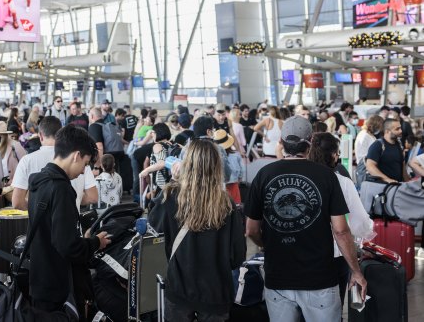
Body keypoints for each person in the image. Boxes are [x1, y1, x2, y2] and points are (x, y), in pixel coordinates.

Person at [244, 116, 367, 322]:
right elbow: (340, 230)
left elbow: (251, 230)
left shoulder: (263, 175)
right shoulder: (327, 176)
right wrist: (356, 271)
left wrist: (268, 244)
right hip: (319, 279)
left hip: (278, 277)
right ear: (310, 142)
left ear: (281, 143)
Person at [28, 124, 111, 313]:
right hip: (59, 287)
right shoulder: (61, 189)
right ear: (76, 156)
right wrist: (94, 243)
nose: (83, 171)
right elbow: (67, 246)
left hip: (40, 279)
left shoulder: (38, 182)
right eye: (85, 163)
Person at [161, 139, 244, 321]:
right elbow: (237, 256)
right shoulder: (227, 204)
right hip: (216, 291)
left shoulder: (170, 197)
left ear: (186, 164)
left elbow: (157, 236)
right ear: (217, 166)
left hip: (179, 286)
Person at [308, 133, 375, 306]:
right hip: (332, 255)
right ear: (332, 154)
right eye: (337, 153)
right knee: (331, 309)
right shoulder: (342, 182)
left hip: (294, 254)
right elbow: (358, 222)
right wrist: (367, 231)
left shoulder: (297, 178)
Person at [12, 117, 98, 211]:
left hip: (37, 223)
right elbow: (92, 197)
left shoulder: (26, 160)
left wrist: (38, 210)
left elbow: (17, 202)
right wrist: (74, 200)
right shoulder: (78, 158)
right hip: (72, 222)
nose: (82, 171)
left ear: (40, 136)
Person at [365, 118, 409, 184]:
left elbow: (402, 166)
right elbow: (370, 166)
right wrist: (387, 179)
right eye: (397, 129)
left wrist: (408, 183)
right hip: (383, 188)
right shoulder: (377, 145)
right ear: (387, 131)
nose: (401, 131)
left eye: (400, 128)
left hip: (397, 187)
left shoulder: (399, 144)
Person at [0, 121, 26, 187]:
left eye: (0, 134)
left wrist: (17, 180)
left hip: (11, 183)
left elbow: (25, 163)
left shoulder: (15, 145)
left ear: (5, 134)